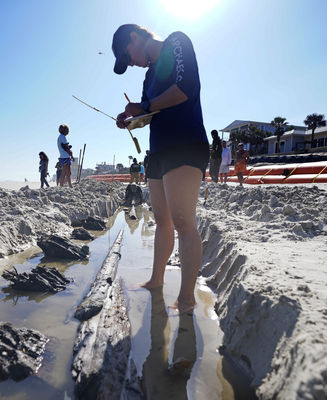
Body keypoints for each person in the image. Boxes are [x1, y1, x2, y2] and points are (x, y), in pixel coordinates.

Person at [112, 24, 209, 313]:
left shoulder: (177, 42)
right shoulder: (148, 77)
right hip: (158, 151)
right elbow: (151, 114)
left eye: (126, 56)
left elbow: (185, 88)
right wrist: (131, 120)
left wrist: (145, 106)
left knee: (183, 223)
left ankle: (188, 298)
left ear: (134, 37)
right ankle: (156, 279)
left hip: (185, 144)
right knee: (163, 221)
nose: (130, 64)